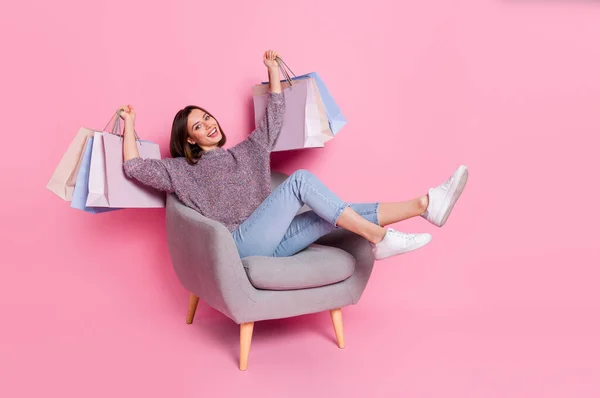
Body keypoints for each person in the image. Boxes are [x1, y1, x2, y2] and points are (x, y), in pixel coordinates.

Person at [119, 50, 469, 261]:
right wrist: (130, 124)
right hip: (240, 244)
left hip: (276, 242)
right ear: (190, 141)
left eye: (208, 117)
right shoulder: (181, 171)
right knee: (301, 180)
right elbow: (133, 167)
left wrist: (273, 72)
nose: (209, 124)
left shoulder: (249, 150)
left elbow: (275, 113)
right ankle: (380, 238)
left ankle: (425, 205)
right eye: (198, 126)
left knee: (329, 213)